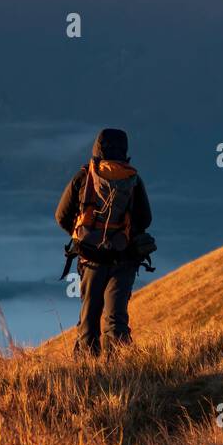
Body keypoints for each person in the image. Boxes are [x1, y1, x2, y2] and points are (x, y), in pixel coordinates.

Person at [55, 128, 154, 356]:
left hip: (91, 259)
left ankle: (87, 371)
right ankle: (119, 369)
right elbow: (145, 219)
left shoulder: (84, 176)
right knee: (115, 317)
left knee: (89, 315)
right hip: (123, 258)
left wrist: (80, 234)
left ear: (97, 148)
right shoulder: (132, 179)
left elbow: (61, 216)